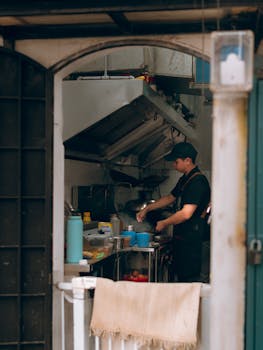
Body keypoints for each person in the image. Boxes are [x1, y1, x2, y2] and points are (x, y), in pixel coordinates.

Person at [136, 142, 211, 282]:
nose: (173, 165)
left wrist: (164, 223)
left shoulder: (197, 182)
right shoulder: (186, 179)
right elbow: (170, 197)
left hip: (197, 241)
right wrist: (147, 208)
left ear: (188, 160)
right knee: (183, 278)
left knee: (194, 282)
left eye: (176, 161)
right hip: (187, 238)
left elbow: (186, 213)